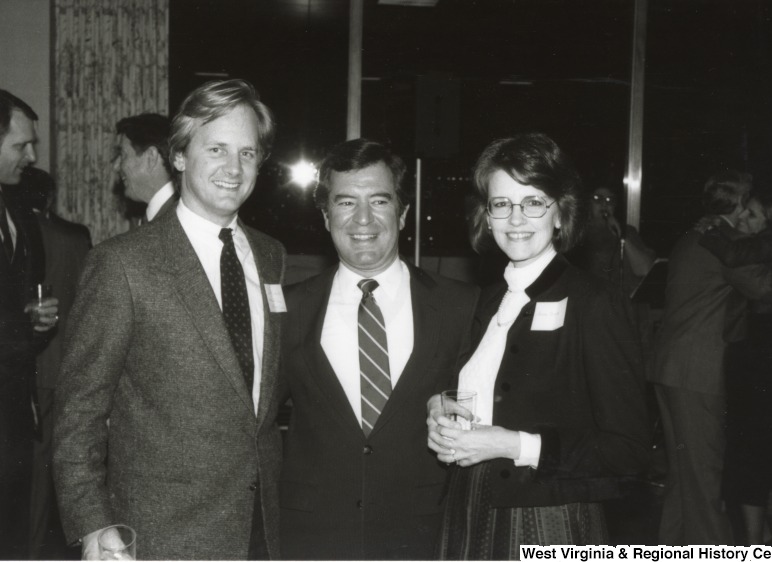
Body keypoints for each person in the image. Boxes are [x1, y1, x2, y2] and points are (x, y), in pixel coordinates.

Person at [53, 79, 286, 560]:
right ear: (178, 156)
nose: (233, 168)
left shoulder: (270, 255)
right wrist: (93, 525)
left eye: (247, 153)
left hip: (261, 530)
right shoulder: (123, 263)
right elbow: (79, 410)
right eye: (217, 148)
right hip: (161, 535)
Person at [427, 132, 649, 556]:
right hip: (471, 502)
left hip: (549, 518)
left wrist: (511, 444)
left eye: (533, 202)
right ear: (486, 216)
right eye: (501, 204)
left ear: (561, 214)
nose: (515, 219)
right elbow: (480, 391)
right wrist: (441, 406)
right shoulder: (488, 299)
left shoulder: (595, 302)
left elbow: (628, 451)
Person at [279, 138, 479, 560]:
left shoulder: (462, 306)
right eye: (346, 202)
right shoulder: (286, 307)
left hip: (425, 533)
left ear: (403, 213)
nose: (363, 219)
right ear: (325, 215)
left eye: (380, 201)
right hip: (313, 537)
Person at [649, 171, 772, 545]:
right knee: (706, 478)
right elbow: (765, 286)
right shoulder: (725, 241)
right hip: (698, 370)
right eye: (749, 202)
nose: (751, 211)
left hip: (671, 366)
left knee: (685, 478)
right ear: (740, 201)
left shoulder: (696, 235)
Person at [699, 194, 772, 545]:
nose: (742, 218)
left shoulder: (768, 244)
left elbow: (738, 261)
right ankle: (760, 535)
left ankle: (757, 540)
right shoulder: (766, 245)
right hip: (759, 348)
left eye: (752, 214)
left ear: (770, 221)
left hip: (765, 350)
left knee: (753, 444)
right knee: (748, 442)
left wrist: (709, 234)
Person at [9, 167, 92, 559]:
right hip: (69, 366)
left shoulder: (22, 235)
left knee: (30, 470)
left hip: (30, 364)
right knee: (65, 465)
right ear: (51, 196)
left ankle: (28, 548)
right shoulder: (78, 236)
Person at [0, 90, 59, 559]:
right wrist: (20, 327)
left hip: (14, 412)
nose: (33, 157)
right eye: (22, 145)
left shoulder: (17, 208)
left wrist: (34, 320)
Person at [568, 185, 656, 293]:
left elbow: (645, 270)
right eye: (597, 199)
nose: (604, 204)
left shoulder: (628, 231)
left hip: (627, 303)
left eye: (609, 200)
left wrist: (622, 236)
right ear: (588, 203)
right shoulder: (579, 234)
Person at [111, 113, 178, 223]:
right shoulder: (157, 216)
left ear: (151, 158)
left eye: (123, 155)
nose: (116, 166)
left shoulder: (176, 220)